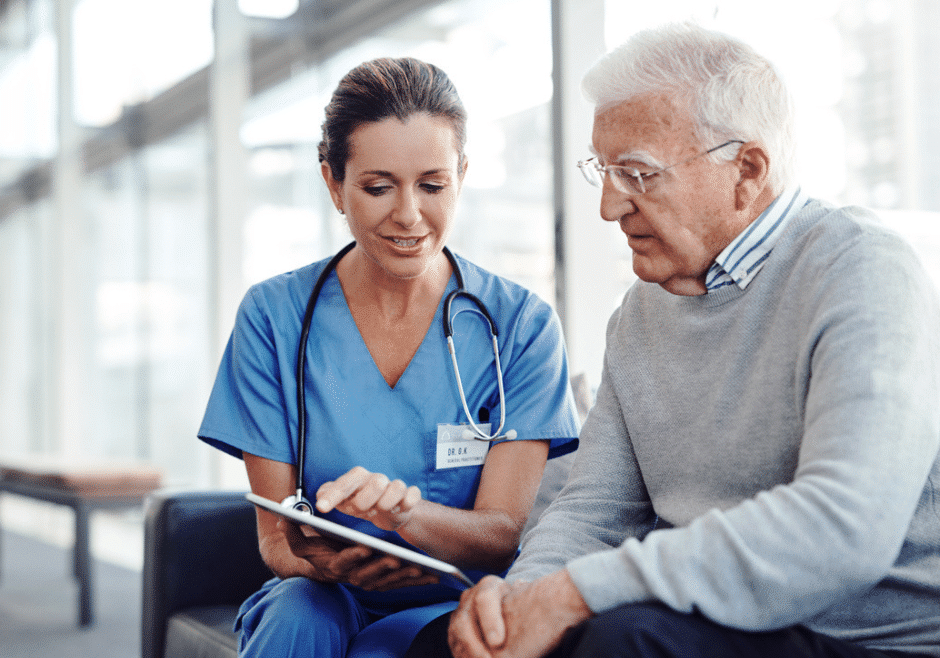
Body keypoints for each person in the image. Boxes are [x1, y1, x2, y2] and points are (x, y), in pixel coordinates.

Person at [408, 22, 940, 658]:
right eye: (603, 171)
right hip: (711, 623)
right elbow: (594, 512)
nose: (609, 206)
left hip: (865, 639)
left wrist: (574, 594)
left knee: (621, 641)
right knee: (446, 644)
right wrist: (520, 603)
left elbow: (843, 526)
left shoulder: (861, 267)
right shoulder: (639, 314)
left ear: (747, 169)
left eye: (637, 173)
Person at [197, 56, 580, 658]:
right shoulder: (274, 317)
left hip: (456, 595)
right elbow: (275, 537)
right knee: (296, 619)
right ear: (333, 183)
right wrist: (318, 562)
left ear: (462, 175)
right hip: (323, 593)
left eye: (432, 185)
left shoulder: (520, 326)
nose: (408, 214)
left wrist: (408, 517)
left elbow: (501, 534)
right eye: (377, 187)